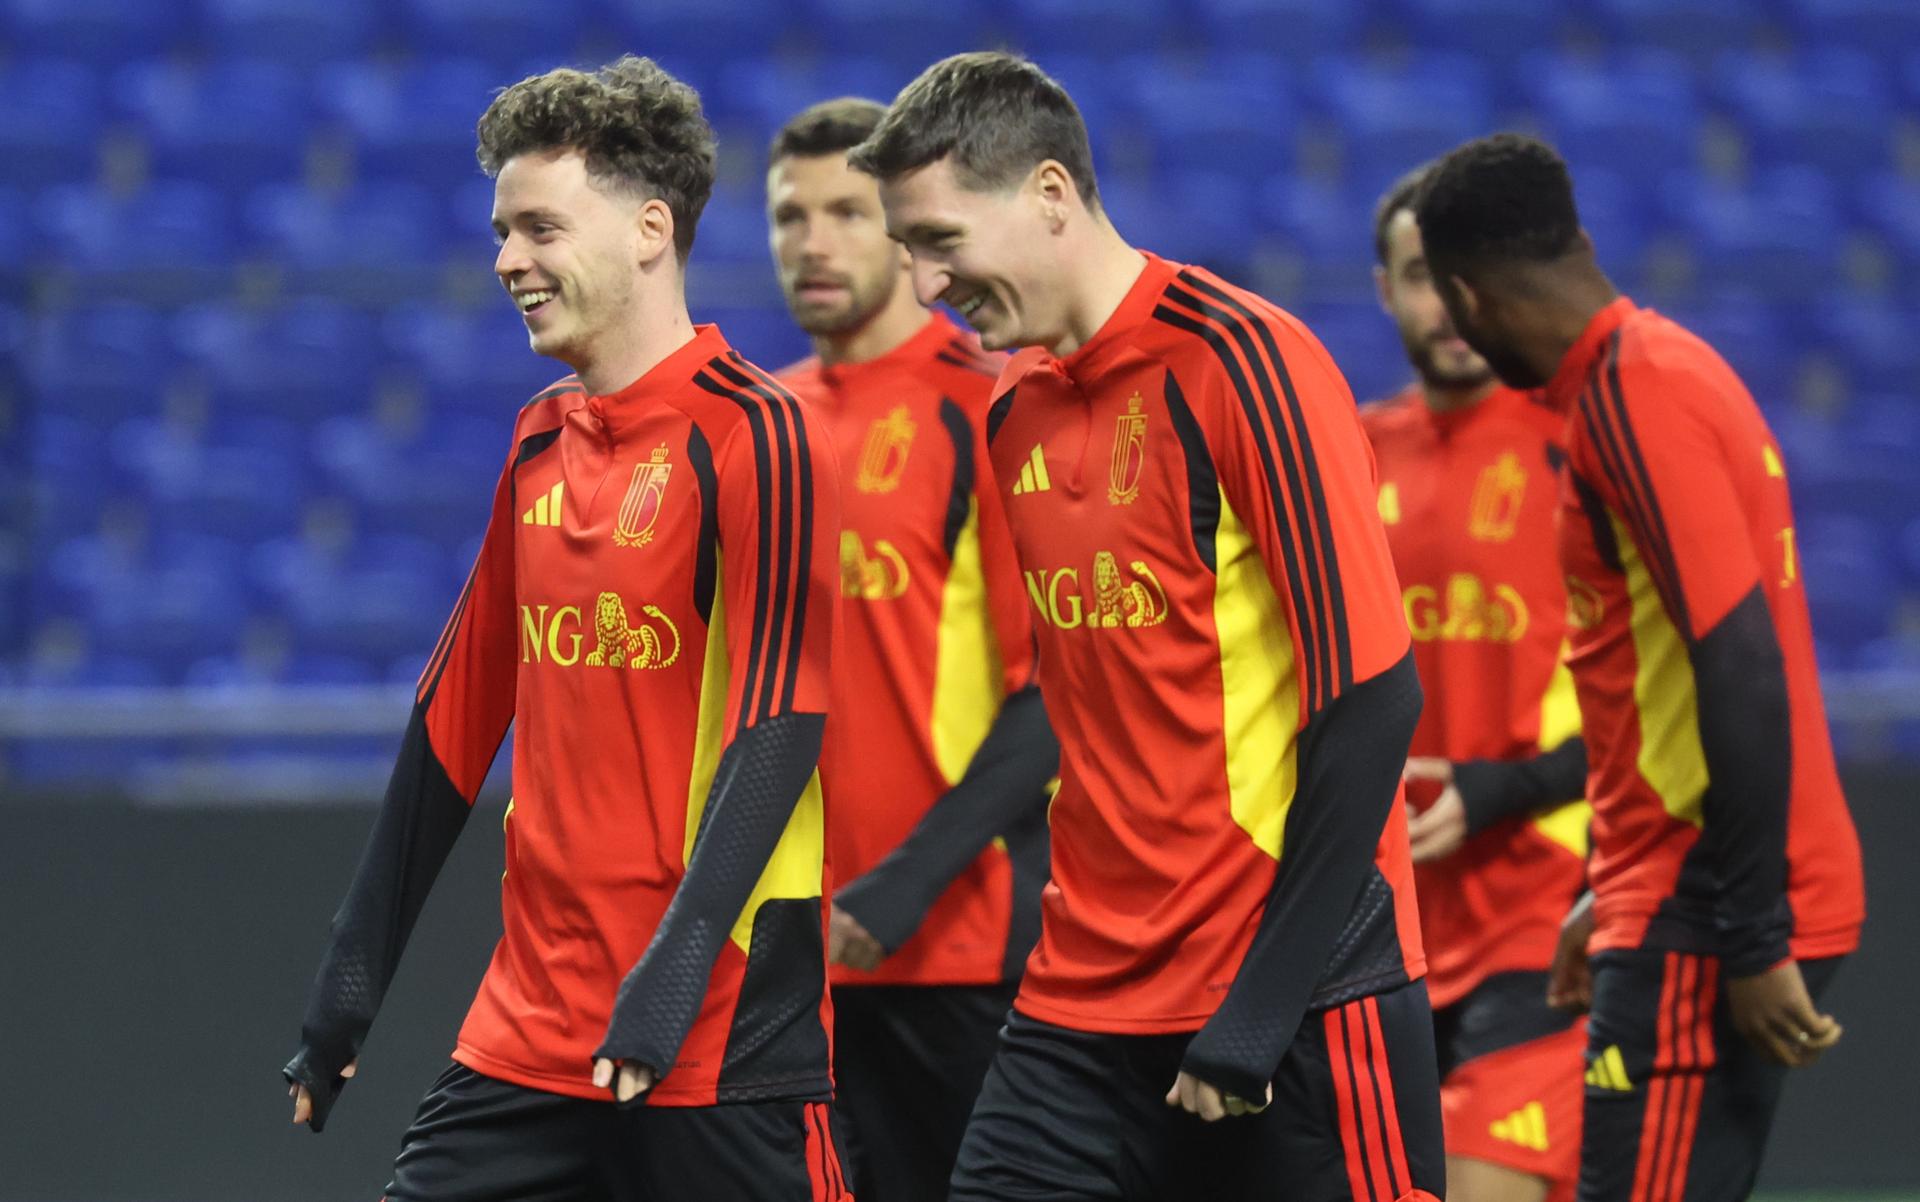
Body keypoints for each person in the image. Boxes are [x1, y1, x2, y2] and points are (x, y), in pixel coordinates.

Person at [849, 51, 1444, 1202]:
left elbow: (1374, 698)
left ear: (1050, 194)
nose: (922, 284)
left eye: (939, 240)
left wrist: (1263, 1004)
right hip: (1077, 1002)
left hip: (1294, 1001)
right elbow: (1072, 700)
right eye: (907, 249)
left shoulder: (1246, 361)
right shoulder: (1014, 408)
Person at [281, 56, 851, 1201]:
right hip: (528, 1035)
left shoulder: (760, 435)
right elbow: (454, 717)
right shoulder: (540, 437)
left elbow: (782, 725)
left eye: (540, 227)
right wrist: (355, 967)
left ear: (650, 229)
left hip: (717, 1043)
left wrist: (675, 968)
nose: (507, 259)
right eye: (503, 231)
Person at [1414, 132, 1866, 1202]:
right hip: (1672, 896)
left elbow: (1738, 664)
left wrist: (1746, 934)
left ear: (1468, 298)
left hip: (1705, 909)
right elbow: (1667, 679)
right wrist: (1609, 892)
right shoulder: (1668, 369)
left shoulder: (1633, 399)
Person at [765, 96, 1059, 1201]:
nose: (814, 242)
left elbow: (1058, 692)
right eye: (790, 216)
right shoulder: (758, 428)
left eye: (846, 212)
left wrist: (902, 886)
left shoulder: (988, 407)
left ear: (902, 227)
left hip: (959, 950)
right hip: (787, 964)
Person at [1362, 165, 1591, 1202]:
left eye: (1466, 275)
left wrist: (1503, 790)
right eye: (1422, 276)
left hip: (1543, 908)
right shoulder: (1345, 454)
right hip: (1376, 927)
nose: (1450, 304)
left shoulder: (1579, 447)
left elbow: (1662, 698)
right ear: (1386, 290)